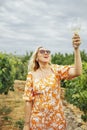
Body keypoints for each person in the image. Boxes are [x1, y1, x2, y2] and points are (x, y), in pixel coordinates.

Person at [23, 33, 82, 130]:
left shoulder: (56, 70)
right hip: (38, 121)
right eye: (42, 51)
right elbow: (28, 101)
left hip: (56, 121)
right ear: (36, 58)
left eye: (48, 51)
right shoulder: (31, 75)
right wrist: (26, 124)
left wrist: (76, 49)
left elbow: (77, 72)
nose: (46, 53)